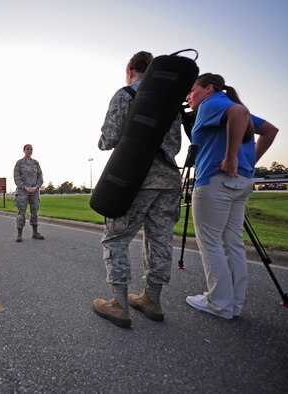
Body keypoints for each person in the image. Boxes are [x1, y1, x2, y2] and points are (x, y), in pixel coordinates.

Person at [92, 51, 183, 328]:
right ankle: (151, 300)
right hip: (168, 179)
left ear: (130, 69)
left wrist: (102, 141)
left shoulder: (126, 95)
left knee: (116, 238)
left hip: (134, 178)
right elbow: (176, 143)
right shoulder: (173, 100)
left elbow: (109, 139)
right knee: (159, 240)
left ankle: (119, 304)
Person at [184, 73, 279, 319]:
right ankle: (234, 304)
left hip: (215, 182)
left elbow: (239, 114)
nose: (188, 97)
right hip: (241, 182)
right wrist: (248, 161)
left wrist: (231, 157)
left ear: (208, 88)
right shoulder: (224, 104)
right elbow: (269, 130)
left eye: (192, 90)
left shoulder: (211, 103)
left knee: (211, 243)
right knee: (232, 243)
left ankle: (218, 303)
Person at [13, 144, 45, 242]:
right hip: (23, 192)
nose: (29, 150)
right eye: (27, 149)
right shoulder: (19, 163)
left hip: (34, 192)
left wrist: (36, 187)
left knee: (34, 211)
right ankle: (19, 234)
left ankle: (35, 232)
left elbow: (40, 177)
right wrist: (25, 187)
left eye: (31, 149)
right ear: (24, 150)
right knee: (21, 212)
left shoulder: (36, 163)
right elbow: (16, 177)